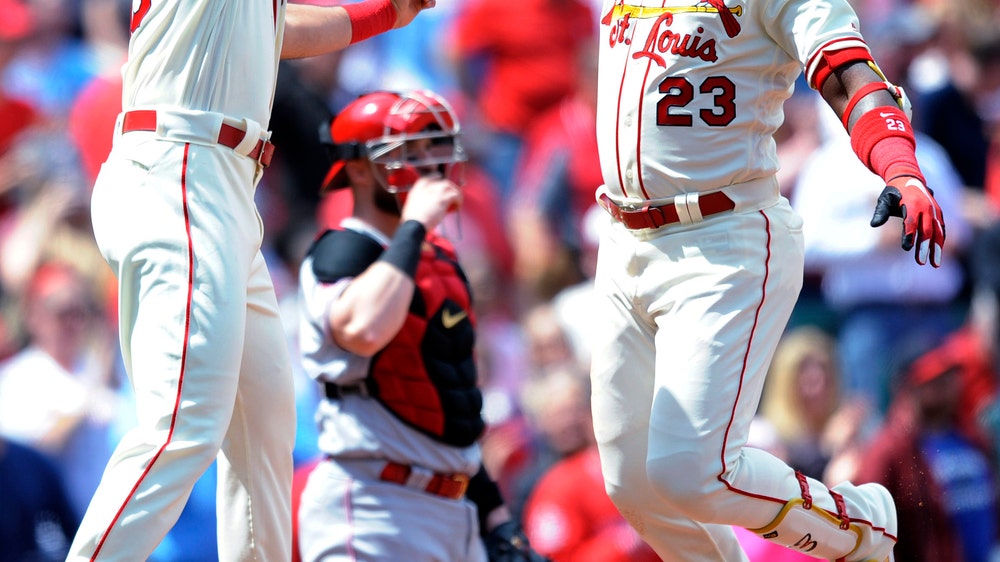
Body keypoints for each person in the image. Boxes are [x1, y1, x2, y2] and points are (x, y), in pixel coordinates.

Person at [67, 1, 434, 560]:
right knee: (182, 429)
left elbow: (274, 31)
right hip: (182, 167)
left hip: (219, 181)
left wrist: (386, 12)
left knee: (263, 425)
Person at [589, 0, 947, 560]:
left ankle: (866, 532)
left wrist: (899, 165)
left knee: (693, 472)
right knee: (631, 482)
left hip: (723, 236)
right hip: (622, 238)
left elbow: (846, 68)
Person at [296, 89, 544, 561]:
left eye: (435, 146)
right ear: (358, 167)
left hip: (456, 509)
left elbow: (451, 406)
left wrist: (497, 522)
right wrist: (413, 228)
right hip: (374, 506)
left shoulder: (442, 260)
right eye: (408, 151)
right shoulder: (341, 251)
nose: (429, 164)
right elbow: (363, 329)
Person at [853, 338, 1000, 562]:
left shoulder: (972, 437)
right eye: (935, 379)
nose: (947, 385)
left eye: (950, 376)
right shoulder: (888, 450)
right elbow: (870, 523)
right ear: (907, 386)